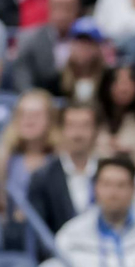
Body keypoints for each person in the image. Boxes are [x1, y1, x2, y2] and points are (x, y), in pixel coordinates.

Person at [40, 154, 135, 267]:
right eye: (107, 184)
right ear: (95, 188)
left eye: (121, 185)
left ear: (133, 190)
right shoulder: (71, 235)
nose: (113, 193)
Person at [26, 100, 99, 242]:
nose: (78, 134)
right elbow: (39, 235)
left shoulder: (110, 173)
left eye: (85, 126)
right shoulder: (42, 177)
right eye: (71, 126)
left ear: (95, 130)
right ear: (61, 130)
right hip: (59, 259)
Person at [0, 87, 57, 217]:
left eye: (36, 114)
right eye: (22, 114)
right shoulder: (5, 159)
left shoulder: (60, 159)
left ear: (50, 119)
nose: (28, 120)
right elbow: (2, 207)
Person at [11, 0, 80, 92]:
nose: (62, 14)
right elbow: (23, 83)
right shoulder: (28, 39)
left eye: (68, 7)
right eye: (57, 6)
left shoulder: (90, 40)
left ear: (77, 8)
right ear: (48, 6)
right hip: (40, 103)